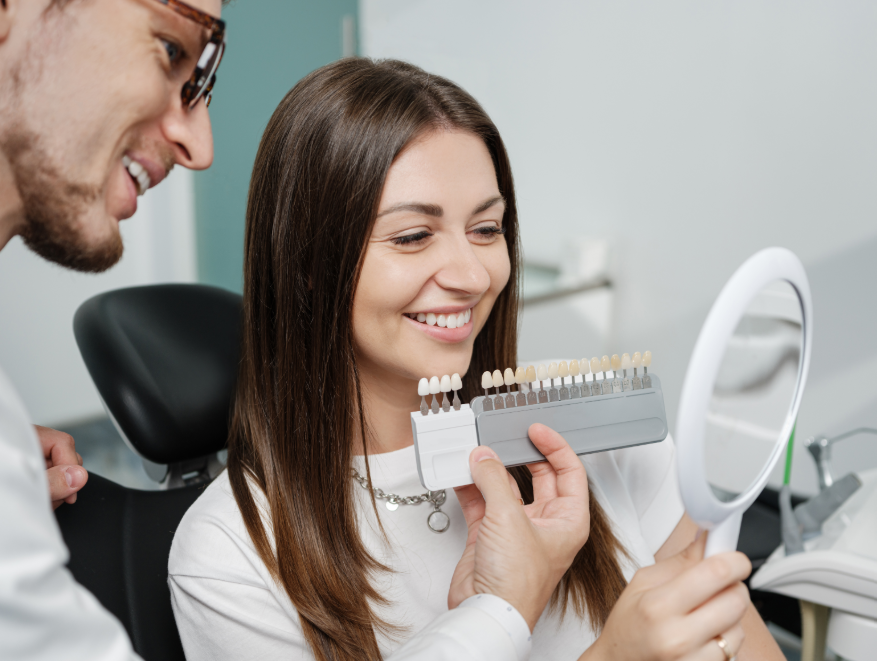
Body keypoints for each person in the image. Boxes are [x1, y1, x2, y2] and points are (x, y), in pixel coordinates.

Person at [0, 2, 600, 659]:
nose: (200, 146)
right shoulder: (229, 551)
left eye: (486, 227)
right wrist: (531, 622)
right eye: (171, 50)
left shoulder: (589, 451)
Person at [168, 58, 785, 661]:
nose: (471, 274)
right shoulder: (230, 557)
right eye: (413, 236)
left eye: (487, 229)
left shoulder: (608, 440)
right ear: (305, 264)